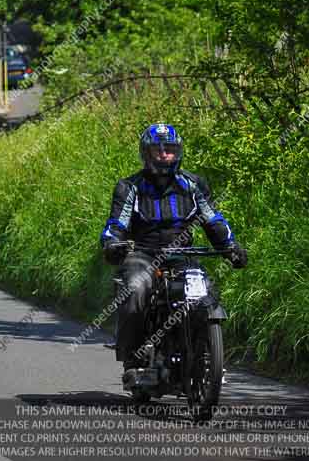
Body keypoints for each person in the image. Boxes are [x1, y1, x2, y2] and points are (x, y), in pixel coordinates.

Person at [100, 123, 247, 378]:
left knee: (206, 292)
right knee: (135, 290)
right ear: (145, 153)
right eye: (157, 150)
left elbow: (213, 220)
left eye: (169, 149)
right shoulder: (129, 187)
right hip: (142, 255)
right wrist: (112, 244)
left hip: (183, 256)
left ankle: (205, 353)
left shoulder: (194, 185)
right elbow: (117, 224)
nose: (163, 155)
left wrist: (230, 247)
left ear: (178, 152)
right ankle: (133, 357)